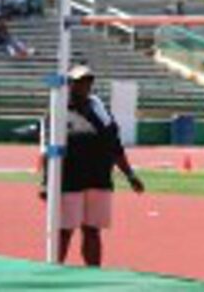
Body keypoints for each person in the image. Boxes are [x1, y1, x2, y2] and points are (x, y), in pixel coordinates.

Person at [41, 64, 144, 266]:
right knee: (64, 230)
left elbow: (113, 143)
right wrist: (46, 182)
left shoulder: (97, 105)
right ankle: (52, 275)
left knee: (93, 230)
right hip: (70, 179)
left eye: (88, 81)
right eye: (80, 81)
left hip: (98, 177)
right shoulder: (57, 109)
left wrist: (130, 175)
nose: (85, 85)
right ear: (69, 84)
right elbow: (48, 149)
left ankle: (93, 276)